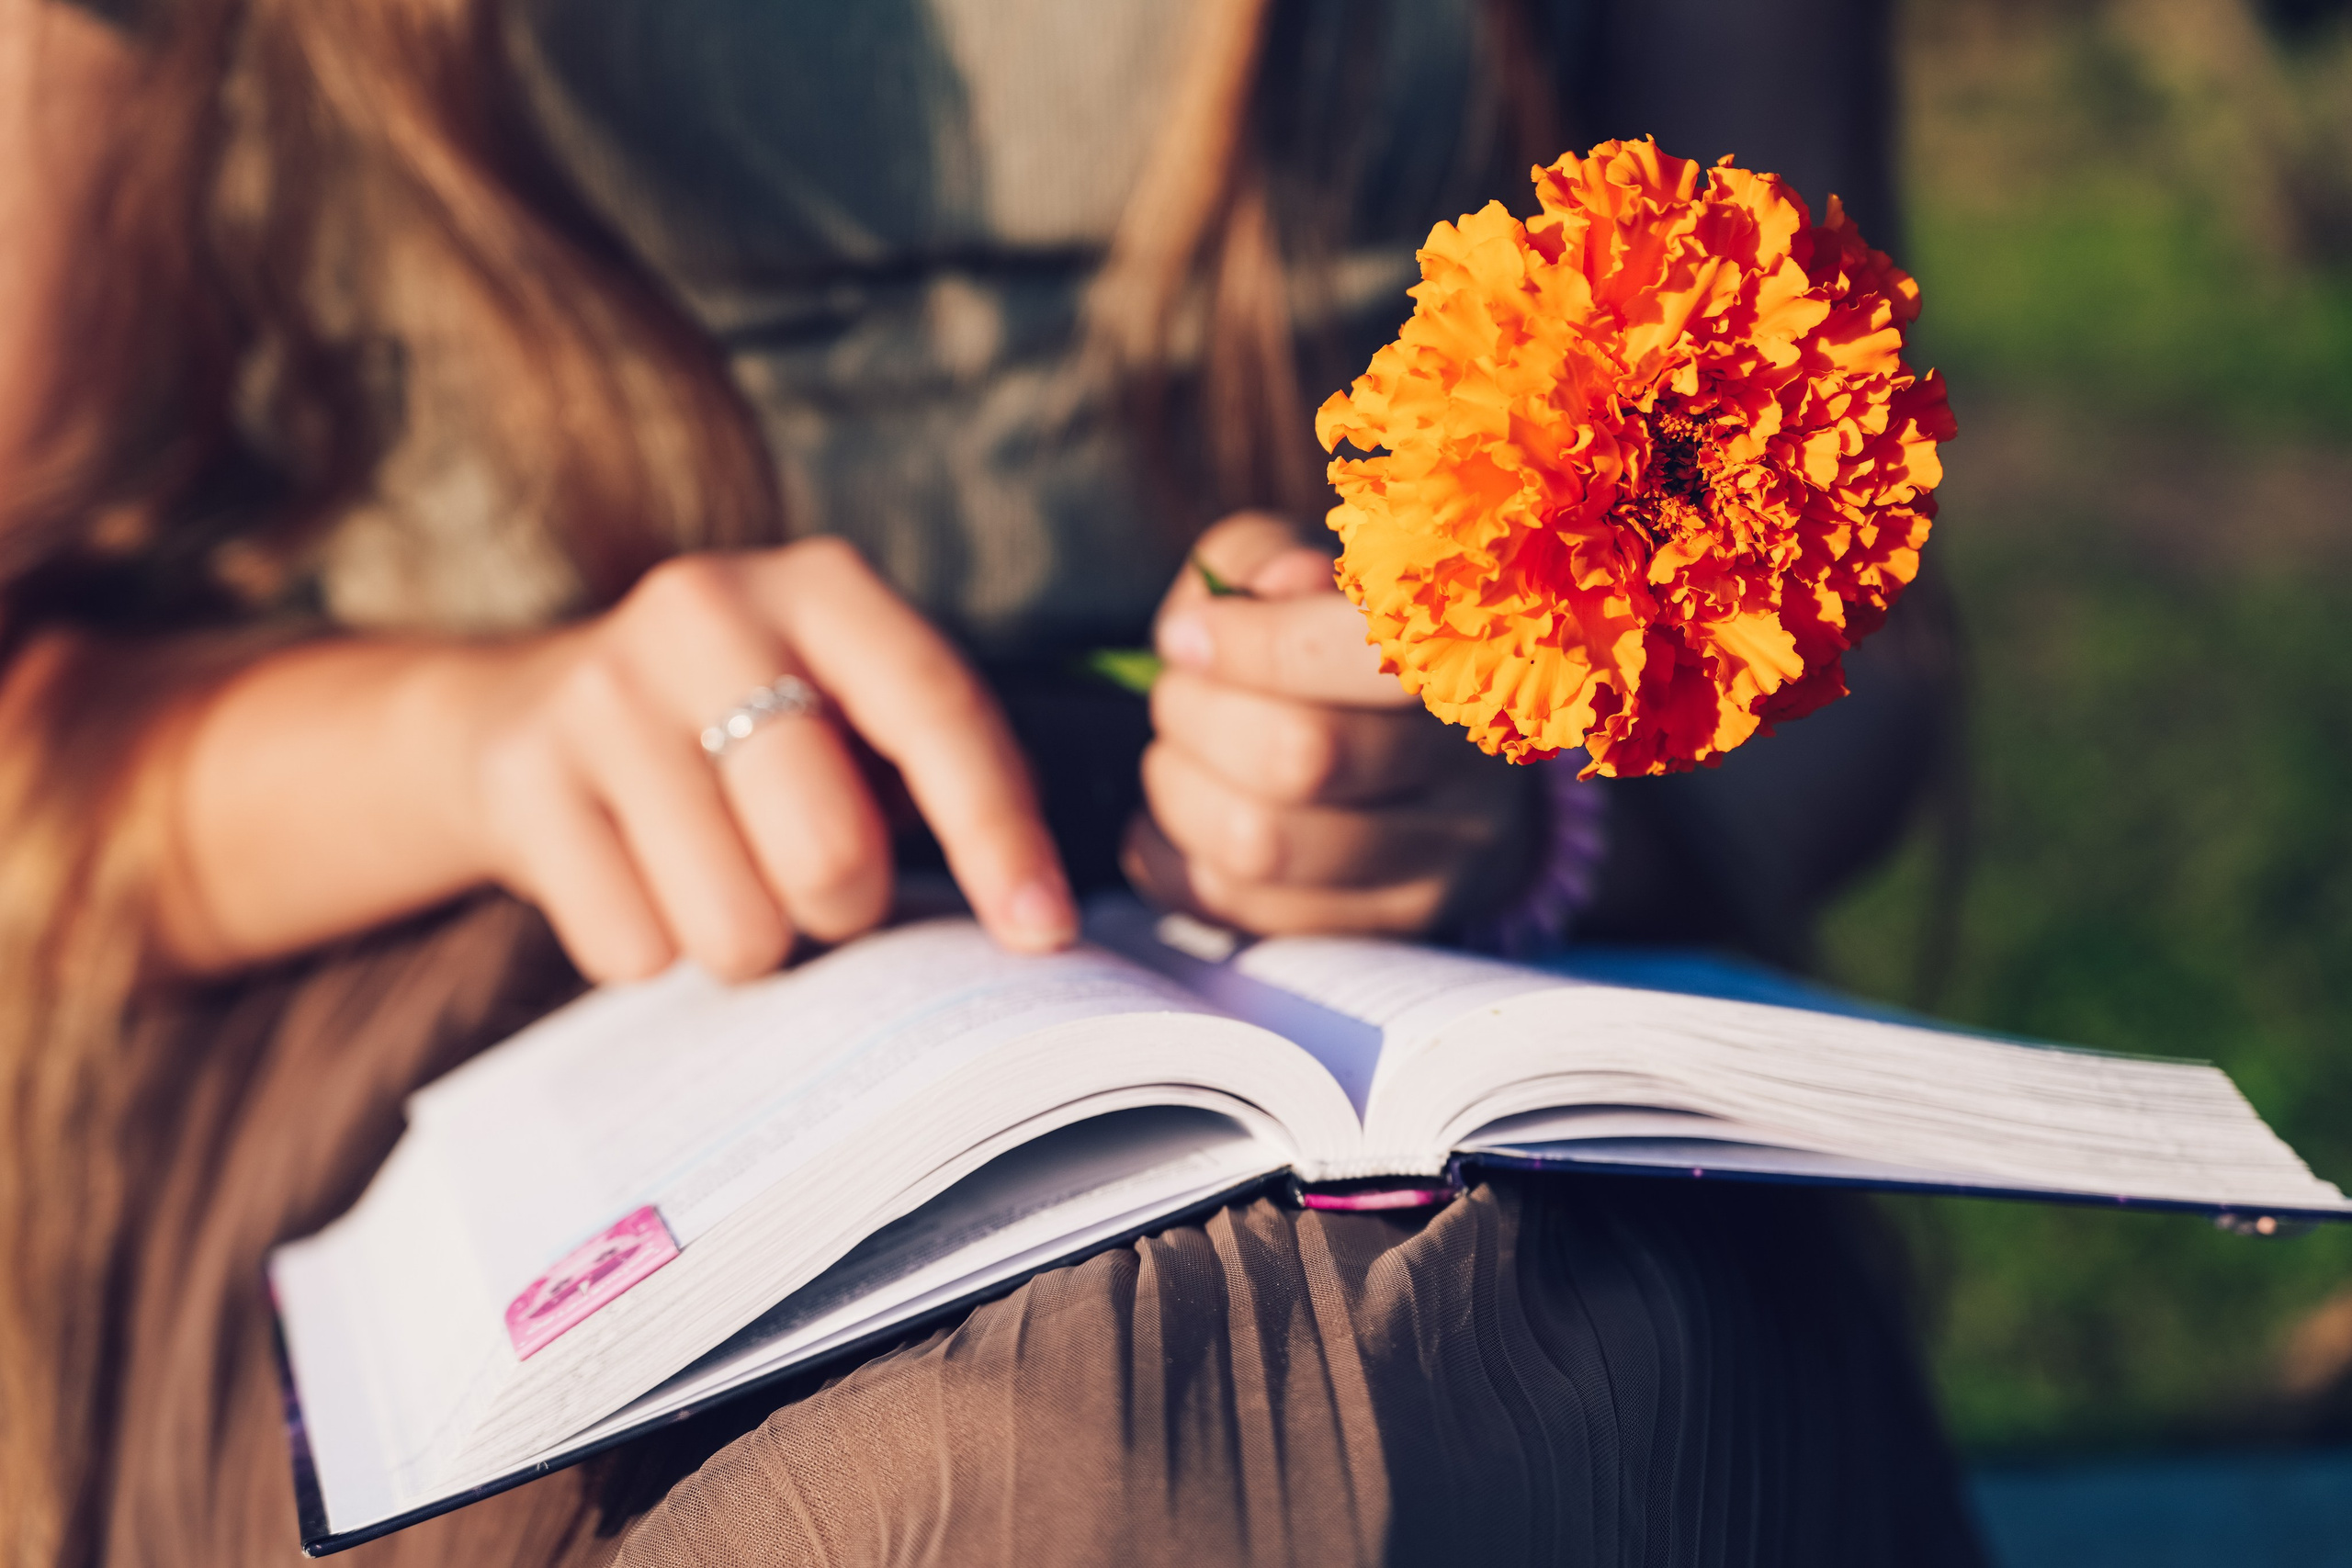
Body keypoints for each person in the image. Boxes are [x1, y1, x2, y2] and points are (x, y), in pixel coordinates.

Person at [0, 0, 1979, 1562]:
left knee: (1374, 1393)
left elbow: (1852, 619)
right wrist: (480, 735)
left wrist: (1530, 802)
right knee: (1108, 1468)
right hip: (456, 970)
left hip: (1396, 1000)